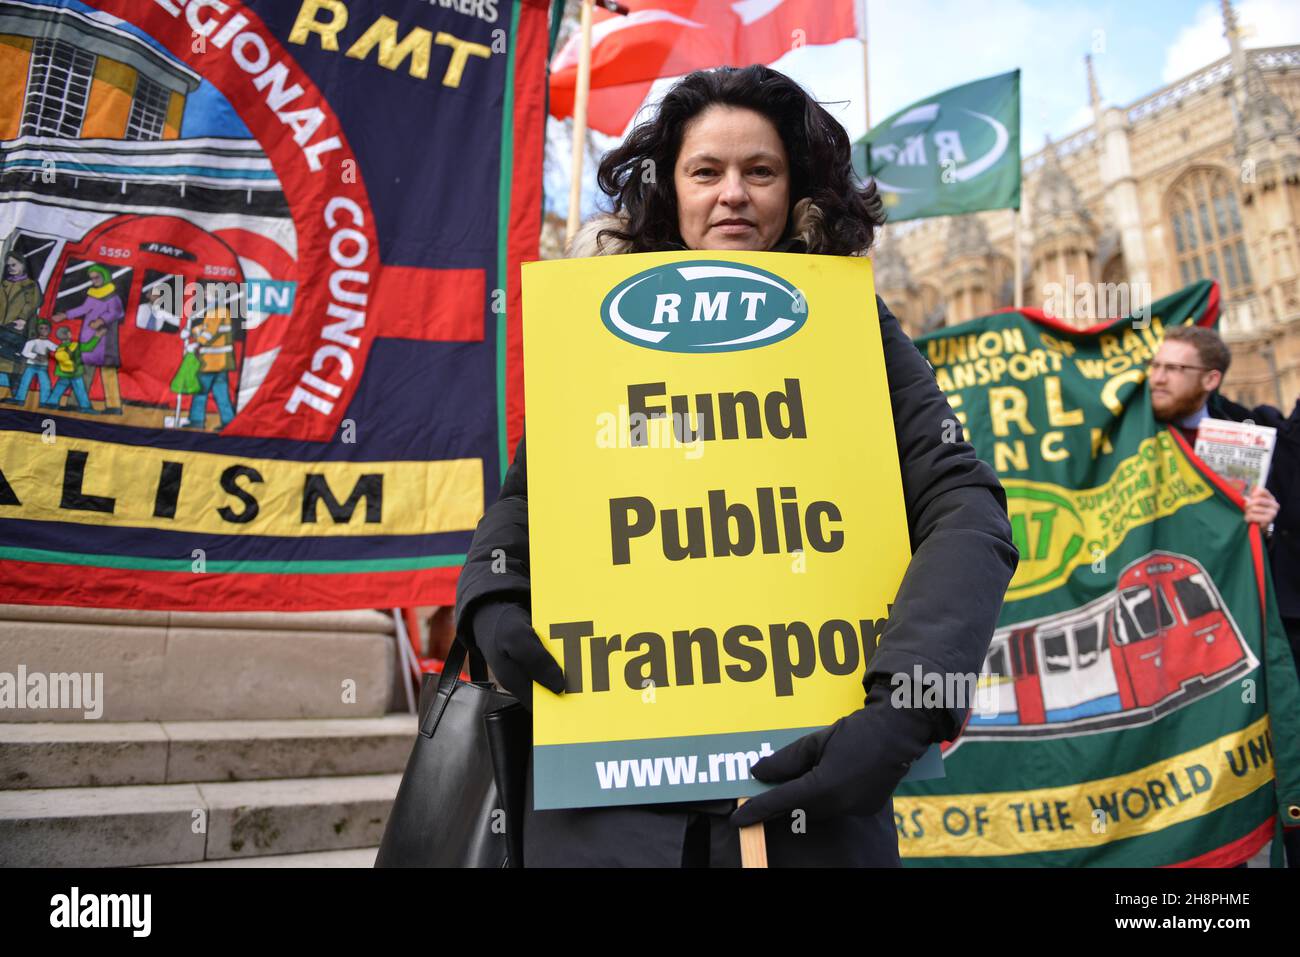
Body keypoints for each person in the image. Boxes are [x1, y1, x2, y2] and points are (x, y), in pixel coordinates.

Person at [454, 65, 1019, 867]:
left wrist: (908, 703)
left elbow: (965, 504)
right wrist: (494, 594)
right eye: (705, 171)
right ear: (669, 188)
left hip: (802, 797)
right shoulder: (596, 324)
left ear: (794, 191)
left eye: (761, 171)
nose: (733, 194)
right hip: (607, 806)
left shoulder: (854, 324)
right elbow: (530, 494)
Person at [1150, 324, 1298, 867]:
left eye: (1173, 370)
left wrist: (1268, 524)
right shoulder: (1134, 436)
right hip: (1169, 644)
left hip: (1248, 635)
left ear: (1209, 379)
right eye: (1155, 367)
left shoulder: (1255, 431)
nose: (1157, 379)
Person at [53, 264, 124, 415]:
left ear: (104, 276)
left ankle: (114, 406)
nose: (94, 281)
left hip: (106, 340)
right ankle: (75, 402)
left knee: (108, 372)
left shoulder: (113, 296)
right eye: (92, 278)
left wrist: (100, 320)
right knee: (83, 372)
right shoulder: (92, 295)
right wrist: (65, 315)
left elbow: (117, 312)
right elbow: (83, 309)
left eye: (96, 277)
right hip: (89, 338)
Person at [44, 320, 105, 413]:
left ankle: (51, 403)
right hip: (74, 373)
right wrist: (97, 336)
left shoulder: (59, 348)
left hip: (63, 373)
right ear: (69, 334)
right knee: (80, 390)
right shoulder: (75, 345)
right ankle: (85, 407)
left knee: (59, 388)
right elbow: (89, 347)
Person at [2, 318, 57, 407]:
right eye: (41, 328)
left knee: (45, 384)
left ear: (49, 330)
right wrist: (35, 356)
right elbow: (25, 352)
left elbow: (57, 349)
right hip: (31, 366)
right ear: (37, 330)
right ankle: (19, 399)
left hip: (42, 367)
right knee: (24, 382)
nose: (43, 331)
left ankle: (44, 402)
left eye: (46, 328)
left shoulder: (49, 343)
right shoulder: (32, 342)